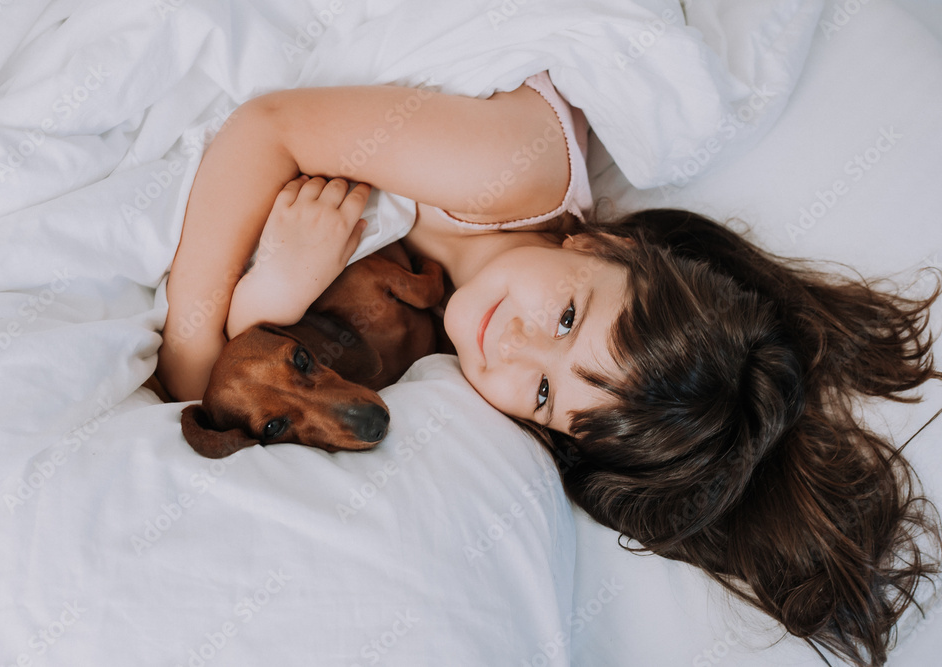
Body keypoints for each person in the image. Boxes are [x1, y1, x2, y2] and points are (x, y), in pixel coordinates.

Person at [157, 74, 942, 667]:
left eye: (541, 392)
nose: (514, 346)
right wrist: (193, 369)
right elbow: (270, 125)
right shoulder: (509, 172)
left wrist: (269, 302)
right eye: (567, 318)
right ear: (603, 245)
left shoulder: (435, 340)